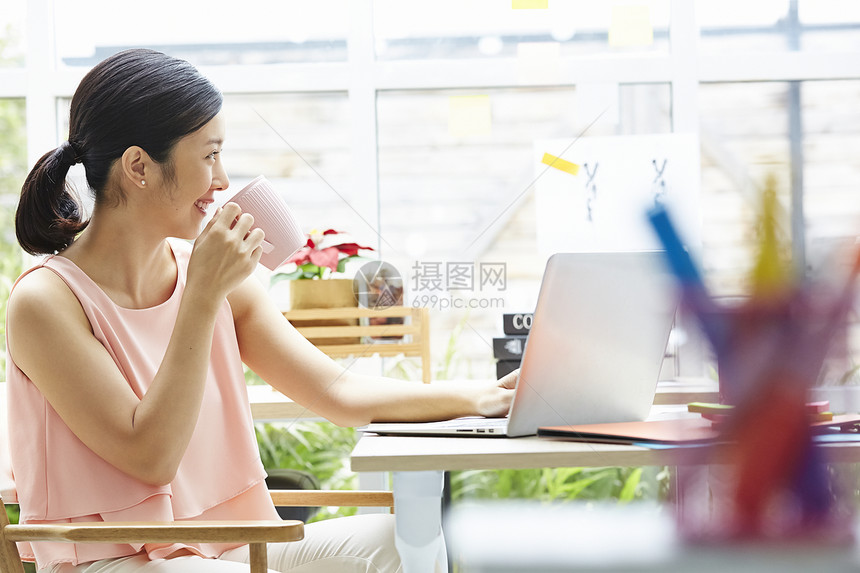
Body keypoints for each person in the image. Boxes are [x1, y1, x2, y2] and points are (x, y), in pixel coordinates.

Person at [6, 48, 516, 573]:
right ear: (139, 166)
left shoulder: (211, 276)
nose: (223, 180)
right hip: (116, 559)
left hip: (229, 545)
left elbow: (339, 393)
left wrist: (480, 396)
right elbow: (149, 457)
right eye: (208, 156)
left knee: (399, 540)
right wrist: (202, 297)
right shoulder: (45, 302)